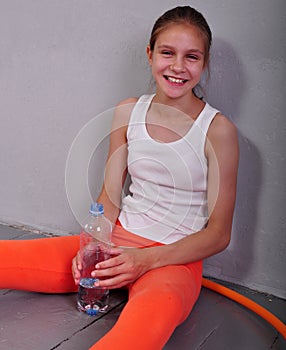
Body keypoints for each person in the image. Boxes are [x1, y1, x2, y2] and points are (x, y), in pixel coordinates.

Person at [0, 6, 239, 349]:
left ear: (205, 62)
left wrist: (145, 260)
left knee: (134, 337)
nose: (177, 66)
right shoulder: (128, 111)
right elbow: (109, 197)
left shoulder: (217, 130)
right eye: (167, 52)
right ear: (150, 54)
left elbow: (218, 234)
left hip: (173, 263)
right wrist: (92, 247)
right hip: (114, 245)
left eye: (192, 57)